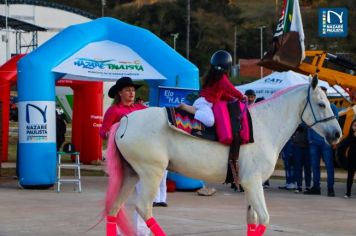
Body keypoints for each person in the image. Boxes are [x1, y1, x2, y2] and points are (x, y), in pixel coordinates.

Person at [100, 77, 167, 236]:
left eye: (132, 90)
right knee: (118, 197)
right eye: (127, 90)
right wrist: (111, 133)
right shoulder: (114, 110)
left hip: (143, 159)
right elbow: (102, 132)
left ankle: (141, 232)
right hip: (123, 159)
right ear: (120, 93)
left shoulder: (140, 108)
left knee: (146, 196)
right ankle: (115, 231)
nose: (131, 92)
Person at [179, 50, 245, 127]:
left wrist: (232, 99)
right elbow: (231, 89)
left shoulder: (213, 77)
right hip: (204, 104)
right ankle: (186, 107)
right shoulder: (221, 78)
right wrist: (241, 96)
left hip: (203, 103)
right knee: (210, 121)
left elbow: (222, 94)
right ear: (228, 65)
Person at [304, 86, 338, 197]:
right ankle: (316, 187)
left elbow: (335, 123)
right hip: (313, 141)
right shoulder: (314, 107)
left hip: (326, 141)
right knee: (314, 165)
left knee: (329, 165)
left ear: (326, 94)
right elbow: (305, 121)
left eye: (323, 93)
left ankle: (330, 188)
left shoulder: (332, 107)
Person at [291, 124, 311, 193]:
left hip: (308, 145)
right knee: (298, 166)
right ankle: (298, 186)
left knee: (307, 167)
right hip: (297, 144)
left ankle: (307, 186)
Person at [339, 119, 356, 199]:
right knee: (350, 176)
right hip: (352, 159)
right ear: (352, 127)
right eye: (354, 125)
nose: (355, 128)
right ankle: (348, 193)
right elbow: (343, 147)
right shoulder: (350, 136)